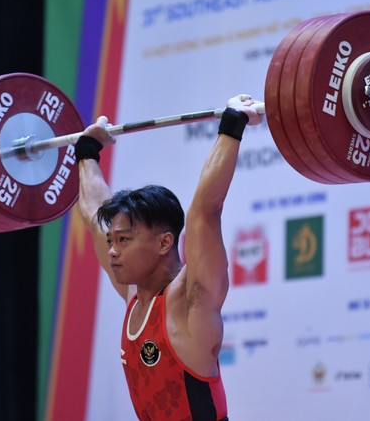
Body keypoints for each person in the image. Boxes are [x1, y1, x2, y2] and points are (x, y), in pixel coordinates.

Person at [75, 95, 263, 421]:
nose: (113, 250)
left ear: (164, 243)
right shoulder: (134, 297)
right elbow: (94, 214)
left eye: (124, 240)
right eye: (112, 241)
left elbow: (205, 211)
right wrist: (87, 151)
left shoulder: (193, 300)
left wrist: (233, 125)